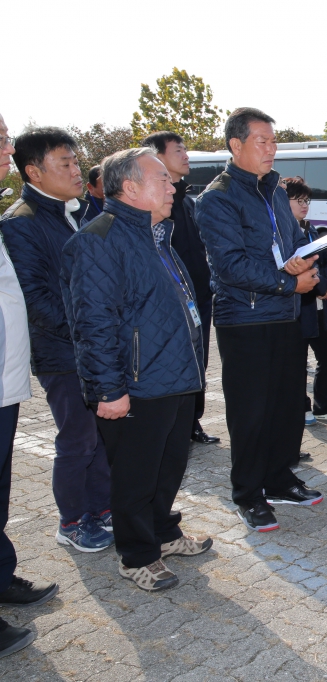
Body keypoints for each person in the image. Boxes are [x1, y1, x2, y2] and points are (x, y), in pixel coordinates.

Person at [61, 147, 213, 592]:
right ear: (130, 187)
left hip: (175, 375)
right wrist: (109, 390)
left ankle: (162, 534)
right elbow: (92, 324)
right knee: (134, 476)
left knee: (168, 466)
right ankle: (136, 555)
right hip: (137, 384)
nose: (173, 186)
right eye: (162, 179)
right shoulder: (99, 240)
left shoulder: (156, 234)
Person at [194, 108, 323, 533]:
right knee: (250, 412)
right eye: (262, 141)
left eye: (274, 141)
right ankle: (248, 494)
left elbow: (286, 247)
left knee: (287, 406)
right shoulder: (217, 198)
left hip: (285, 315)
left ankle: (279, 478)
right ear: (236, 145)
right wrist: (291, 284)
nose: (271, 149)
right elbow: (229, 266)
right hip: (245, 320)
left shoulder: (274, 191)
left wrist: (306, 265)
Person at [0, 127, 113, 553]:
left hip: (92, 346)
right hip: (62, 351)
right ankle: (72, 521)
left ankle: (102, 508)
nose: (74, 169)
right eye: (63, 163)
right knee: (77, 438)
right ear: (33, 172)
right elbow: (38, 301)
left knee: (101, 434)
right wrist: (92, 329)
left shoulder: (77, 210)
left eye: (75, 161)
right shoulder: (21, 223)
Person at [0, 113, 59, 660]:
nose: (4, 144)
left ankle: (1, 577)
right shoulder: (19, 219)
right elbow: (41, 295)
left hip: (7, 377)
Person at [143, 131, 220, 445]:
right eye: (179, 150)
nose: (186, 155)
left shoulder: (186, 201)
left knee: (198, 360)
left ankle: (192, 422)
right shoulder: (152, 205)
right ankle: (176, 427)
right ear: (157, 157)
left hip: (198, 296)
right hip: (170, 303)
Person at [283, 176, 327, 426]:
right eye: (298, 200)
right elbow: (296, 271)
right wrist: (321, 286)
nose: (304, 205)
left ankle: (324, 404)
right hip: (300, 309)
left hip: (321, 307)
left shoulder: (311, 229)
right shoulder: (284, 233)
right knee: (298, 363)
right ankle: (303, 408)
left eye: (307, 200)